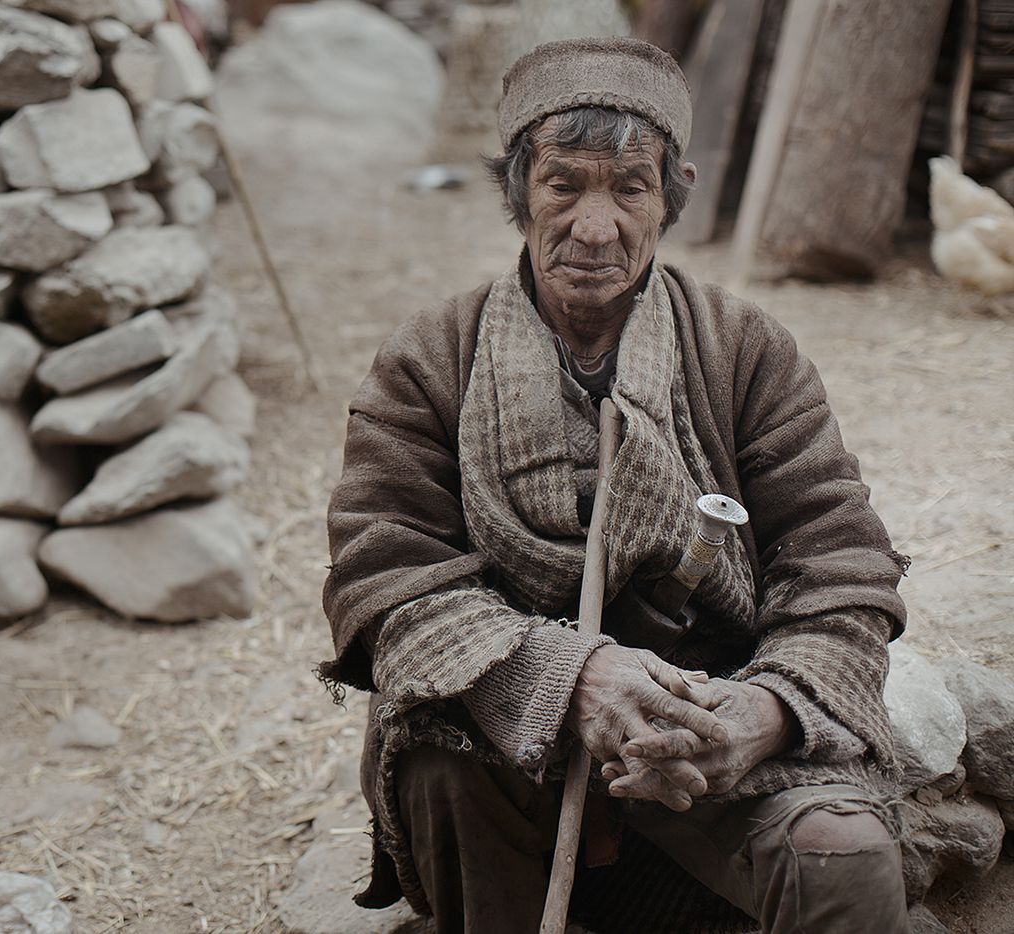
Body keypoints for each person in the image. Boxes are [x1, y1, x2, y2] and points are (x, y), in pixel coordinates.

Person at [318, 37, 917, 934]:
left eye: (630, 188)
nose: (595, 227)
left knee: (842, 853)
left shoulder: (744, 351)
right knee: (437, 770)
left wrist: (762, 713)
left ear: (669, 201)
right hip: (509, 732)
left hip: (713, 727)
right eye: (564, 184)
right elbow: (385, 576)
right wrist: (571, 680)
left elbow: (841, 565)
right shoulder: (428, 359)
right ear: (520, 192)